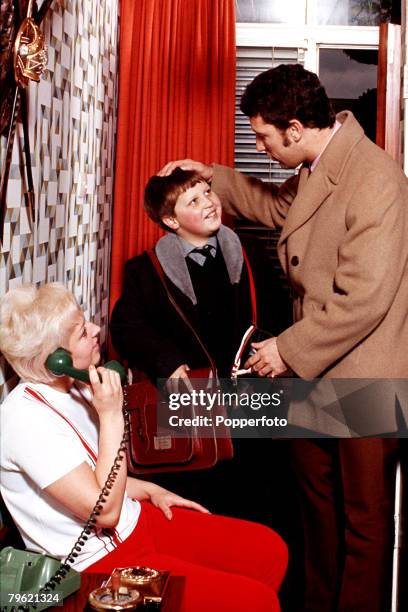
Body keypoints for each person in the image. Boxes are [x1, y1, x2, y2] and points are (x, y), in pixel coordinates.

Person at [159, 64, 407, 611]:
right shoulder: (319, 165)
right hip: (315, 371)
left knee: (363, 525)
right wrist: (212, 175)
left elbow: (364, 298)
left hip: (364, 375)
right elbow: (276, 210)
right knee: (316, 512)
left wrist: (285, 350)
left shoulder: (376, 179)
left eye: (263, 137)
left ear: (294, 129)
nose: (261, 147)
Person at [0, 283, 288, 612]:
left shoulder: (74, 385)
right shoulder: (24, 422)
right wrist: (111, 416)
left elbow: (97, 474)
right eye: (82, 332)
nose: (96, 329)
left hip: (137, 522)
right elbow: (103, 511)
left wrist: (151, 490)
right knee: (256, 602)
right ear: (55, 359)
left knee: (268, 550)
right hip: (99, 566)